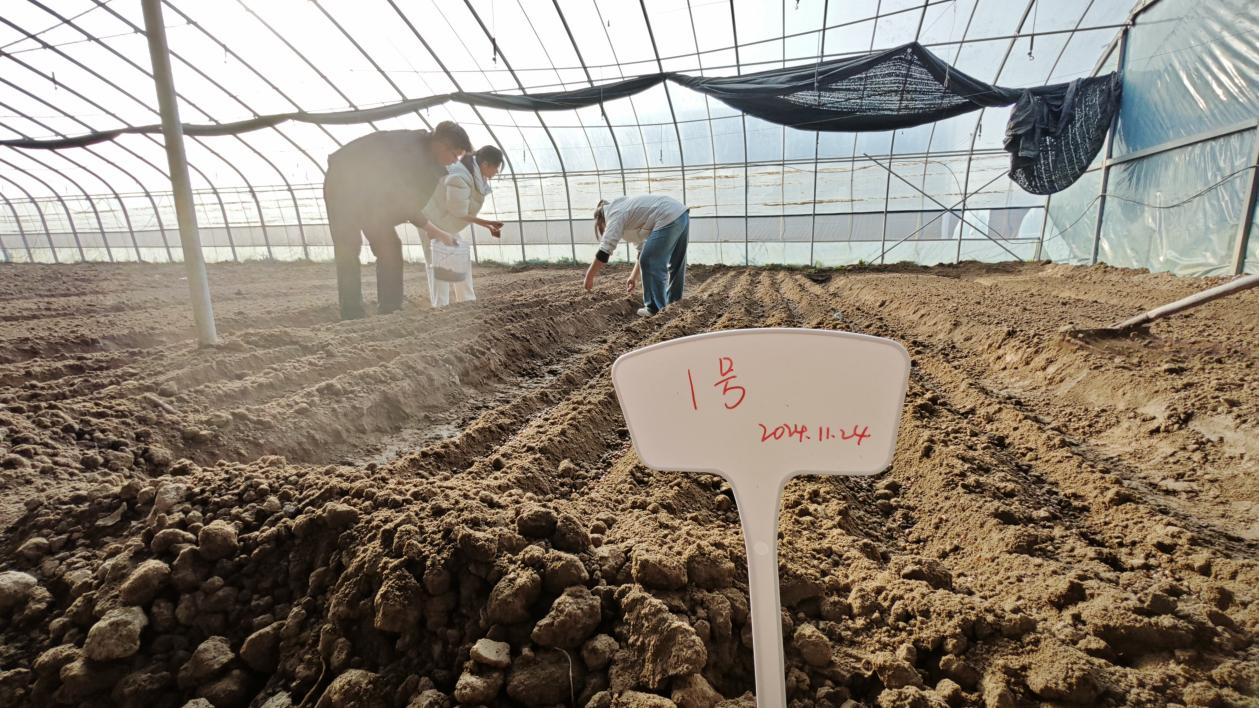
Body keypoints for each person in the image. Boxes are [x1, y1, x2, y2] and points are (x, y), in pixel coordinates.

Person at [323, 121, 472, 319]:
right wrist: (438, 232)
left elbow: (408, 202)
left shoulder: (428, 159)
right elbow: (405, 203)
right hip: (343, 185)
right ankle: (351, 313)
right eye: (455, 154)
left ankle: (390, 310)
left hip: (372, 196)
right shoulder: (407, 150)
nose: (455, 161)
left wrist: (436, 230)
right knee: (348, 247)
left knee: (390, 247)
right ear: (441, 144)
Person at [421, 145, 505, 307]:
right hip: (432, 220)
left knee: (461, 257)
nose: (496, 173)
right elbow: (457, 212)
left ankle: (466, 302)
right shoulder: (460, 176)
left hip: (445, 221)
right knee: (438, 262)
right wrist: (488, 224)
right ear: (485, 164)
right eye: (496, 168)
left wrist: (488, 225)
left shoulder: (475, 173)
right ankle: (440, 307)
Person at [583, 194, 690, 316]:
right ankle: (674, 304)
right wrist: (633, 277)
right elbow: (641, 250)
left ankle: (654, 308)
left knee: (650, 261)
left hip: (667, 214)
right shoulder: (628, 214)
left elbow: (605, 249)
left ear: (601, 219)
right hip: (681, 214)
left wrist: (589, 275)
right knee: (676, 262)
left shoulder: (613, 214)